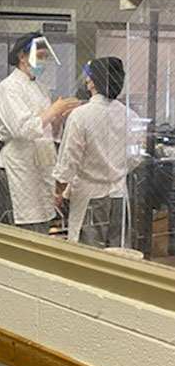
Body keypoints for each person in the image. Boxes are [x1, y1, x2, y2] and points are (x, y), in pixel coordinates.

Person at [0, 32, 81, 233]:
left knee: (44, 220)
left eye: (46, 57)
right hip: (19, 164)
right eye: (39, 56)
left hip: (42, 163)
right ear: (22, 56)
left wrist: (58, 118)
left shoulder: (40, 87)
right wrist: (52, 111)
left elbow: (49, 130)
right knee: (23, 225)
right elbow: (22, 129)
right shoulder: (9, 88)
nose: (43, 61)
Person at [53, 57, 143, 246]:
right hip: (119, 195)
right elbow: (136, 156)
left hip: (90, 197)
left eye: (88, 77)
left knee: (88, 257)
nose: (86, 81)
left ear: (93, 82)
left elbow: (69, 161)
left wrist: (58, 193)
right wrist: (116, 170)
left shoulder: (81, 116)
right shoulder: (130, 116)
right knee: (116, 254)